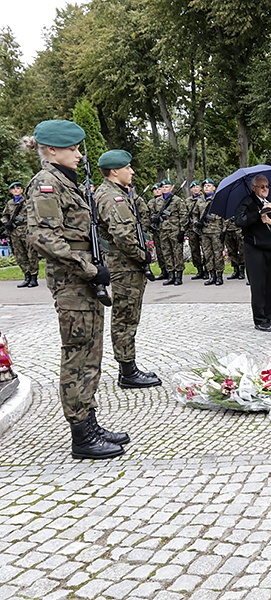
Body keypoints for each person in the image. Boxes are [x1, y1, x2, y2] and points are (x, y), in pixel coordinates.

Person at [23, 119, 129, 459]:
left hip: (83, 282)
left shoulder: (66, 183)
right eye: (73, 149)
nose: (80, 155)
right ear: (52, 150)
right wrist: (89, 267)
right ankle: (81, 436)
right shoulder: (46, 184)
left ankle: (90, 422)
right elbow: (41, 237)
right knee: (78, 355)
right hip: (72, 282)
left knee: (91, 355)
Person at [94, 149, 162, 389]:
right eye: (128, 167)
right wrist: (143, 256)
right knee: (125, 317)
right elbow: (123, 236)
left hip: (123, 264)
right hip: (124, 266)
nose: (132, 171)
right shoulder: (113, 198)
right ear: (115, 171)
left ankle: (128, 367)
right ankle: (127, 371)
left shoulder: (118, 193)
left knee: (128, 316)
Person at [234, 175, 271, 331]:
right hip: (255, 248)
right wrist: (258, 215)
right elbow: (239, 221)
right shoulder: (247, 202)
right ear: (254, 188)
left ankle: (270, 315)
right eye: (262, 186)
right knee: (258, 284)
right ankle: (260, 319)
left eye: (267, 186)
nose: (265, 189)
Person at [150, 179, 186, 285]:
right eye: (163, 187)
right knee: (166, 253)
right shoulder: (157, 201)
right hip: (162, 230)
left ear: (171, 188)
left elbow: (183, 215)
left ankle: (179, 276)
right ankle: (171, 275)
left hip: (175, 230)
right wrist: (155, 219)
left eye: (167, 187)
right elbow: (154, 213)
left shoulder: (177, 200)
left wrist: (182, 230)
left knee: (177, 252)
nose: (165, 189)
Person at [4, 181, 41, 287]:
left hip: (26, 231)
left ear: (22, 190)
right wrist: (6, 223)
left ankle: (34, 277)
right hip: (15, 233)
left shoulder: (27, 202)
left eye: (18, 188)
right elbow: (5, 215)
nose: (16, 190)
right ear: (11, 191)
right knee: (20, 255)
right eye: (14, 189)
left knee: (31, 254)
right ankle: (27, 276)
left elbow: (34, 215)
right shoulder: (10, 203)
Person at [196, 178, 225, 285]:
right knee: (207, 254)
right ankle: (211, 275)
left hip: (216, 230)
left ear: (214, 188)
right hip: (204, 231)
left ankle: (219, 275)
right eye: (205, 186)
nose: (206, 187)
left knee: (217, 254)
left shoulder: (218, 199)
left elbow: (224, 216)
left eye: (209, 185)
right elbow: (195, 214)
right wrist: (196, 223)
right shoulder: (200, 200)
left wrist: (224, 231)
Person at [185, 180, 206, 281]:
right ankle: (199, 270)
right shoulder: (187, 201)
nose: (195, 189)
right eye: (193, 187)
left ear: (200, 188)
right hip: (191, 228)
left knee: (206, 249)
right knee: (194, 250)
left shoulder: (204, 199)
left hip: (203, 228)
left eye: (197, 187)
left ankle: (207, 269)